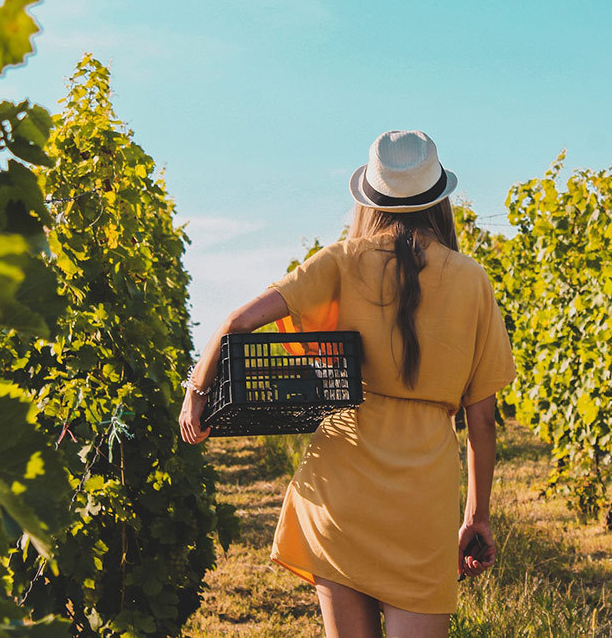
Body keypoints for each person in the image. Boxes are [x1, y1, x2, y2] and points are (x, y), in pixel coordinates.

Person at [179, 130, 516, 637]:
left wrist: (197, 392)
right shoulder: (472, 279)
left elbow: (237, 323)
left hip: (340, 488)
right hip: (420, 503)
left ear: (372, 198)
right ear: (437, 199)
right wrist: (476, 516)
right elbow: (482, 420)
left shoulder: (341, 259)